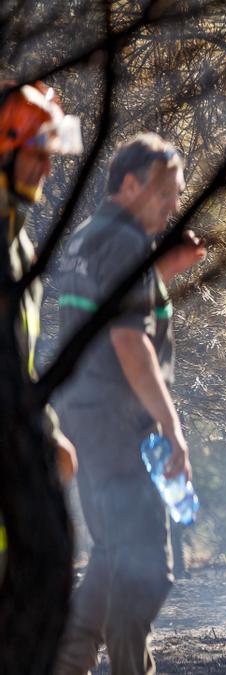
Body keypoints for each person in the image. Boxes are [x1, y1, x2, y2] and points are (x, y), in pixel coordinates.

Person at [54, 133, 206, 675]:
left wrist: (161, 271)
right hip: (122, 428)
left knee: (115, 555)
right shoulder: (123, 243)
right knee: (145, 569)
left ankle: (68, 662)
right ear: (131, 183)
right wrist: (171, 424)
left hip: (88, 424)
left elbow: (105, 307)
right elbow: (127, 339)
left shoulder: (86, 238)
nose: (172, 206)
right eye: (166, 193)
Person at [0, 81, 82, 482]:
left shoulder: (19, 243)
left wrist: (47, 430)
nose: (48, 169)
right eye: (37, 155)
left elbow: (16, 359)